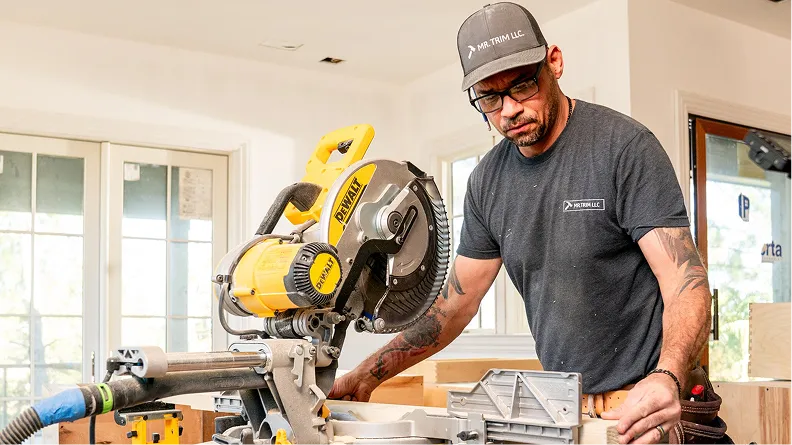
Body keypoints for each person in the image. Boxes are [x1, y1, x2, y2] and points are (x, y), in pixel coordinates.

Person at [330, 3, 712, 445]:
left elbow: (687, 282)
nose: (509, 109)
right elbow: (453, 307)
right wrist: (365, 374)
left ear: (554, 63)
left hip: (654, 406)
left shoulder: (624, 149)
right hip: (571, 411)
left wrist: (667, 376)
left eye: (522, 86)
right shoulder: (488, 181)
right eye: (489, 99)